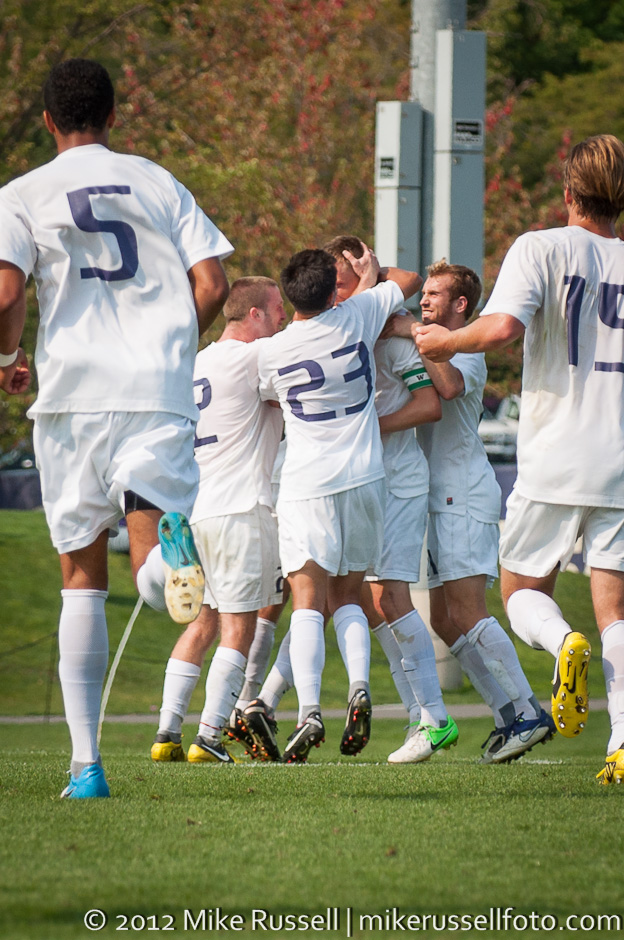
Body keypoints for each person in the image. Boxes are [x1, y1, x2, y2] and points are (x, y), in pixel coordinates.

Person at [0, 59, 232, 798]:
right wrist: (171, 347)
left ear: (47, 120)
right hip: (155, 391)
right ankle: (167, 564)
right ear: (112, 115)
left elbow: (5, 292)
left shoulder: (21, 194)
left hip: (72, 398)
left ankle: (87, 766)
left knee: (81, 580)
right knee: (150, 566)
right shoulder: (157, 180)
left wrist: (7, 358)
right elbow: (214, 283)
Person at [409, 135, 624, 783]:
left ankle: (562, 644)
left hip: (557, 452)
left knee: (522, 592)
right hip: (620, 457)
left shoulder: (541, 246)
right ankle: (621, 744)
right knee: (616, 611)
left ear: (568, 191)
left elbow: (502, 328)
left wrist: (445, 343)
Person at [256, 247, 422, 762]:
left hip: (308, 482)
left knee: (308, 600)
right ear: (333, 291)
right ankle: (358, 688)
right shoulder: (358, 314)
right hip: (367, 479)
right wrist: (372, 274)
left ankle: (309, 711)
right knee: (350, 594)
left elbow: (267, 398)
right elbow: (411, 278)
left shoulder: (271, 351)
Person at [388, 261, 554, 762]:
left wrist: (414, 332)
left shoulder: (468, 347)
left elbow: (450, 387)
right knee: (442, 619)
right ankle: (507, 714)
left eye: (435, 294)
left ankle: (528, 711)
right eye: (423, 293)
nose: (424, 300)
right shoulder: (433, 339)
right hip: (437, 496)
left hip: (462, 492)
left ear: (461, 305)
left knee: (466, 611)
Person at [324, 236, 460, 764]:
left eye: (343, 282)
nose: (336, 293)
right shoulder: (339, 333)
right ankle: (417, 715)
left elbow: (431, 405)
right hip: (363, 479)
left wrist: (371, 428)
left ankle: (435, 718)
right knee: (357, 597)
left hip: (400, 478)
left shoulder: (394, 337)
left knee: (393, 597)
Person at [151, 277, 286, 765]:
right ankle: (208, 736)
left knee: (202, 624)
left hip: (200, 509)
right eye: (277, 308)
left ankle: (166, 732)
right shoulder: (256, 358)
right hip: (242, 509)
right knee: (238, 628)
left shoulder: (197, 361)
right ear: (254, 315)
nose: (284, 317)